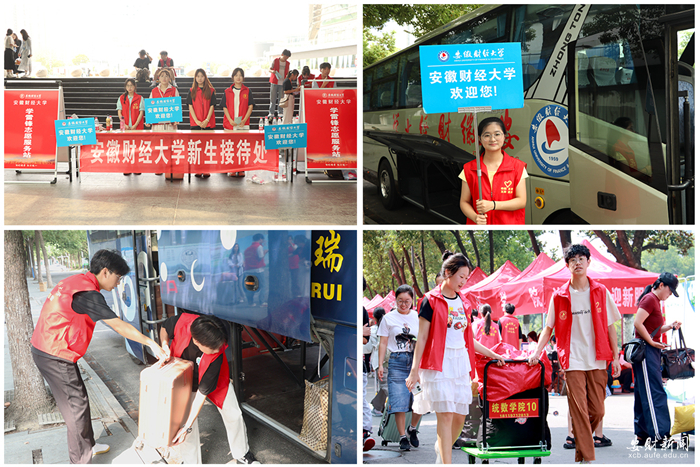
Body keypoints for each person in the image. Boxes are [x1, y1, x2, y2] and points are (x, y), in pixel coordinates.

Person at [30, 250, 167, 463]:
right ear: (105, 272)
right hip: (55, 354)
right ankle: (80, 459)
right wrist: (149, 342)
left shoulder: (78, 282)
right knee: (76, 408)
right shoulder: (87, 294)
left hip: (51, 348)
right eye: (118, 278)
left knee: (79, 400)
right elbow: (117, 325)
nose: (118, 283)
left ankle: (90, 446)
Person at [406, 251, 506, 464]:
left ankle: (441, 451)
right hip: (438, 365)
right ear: (448, 273)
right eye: (461, 276)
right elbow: (421, 338)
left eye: (466, 278)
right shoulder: (430, 301)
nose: (464, 281)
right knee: (447, 415)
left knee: (460, 417)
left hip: (460, 364)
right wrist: (414, 371)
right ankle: (446, 463)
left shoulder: (464, 302)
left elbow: (469, 338)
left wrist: (492, 354)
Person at [528, 243, 621, 463]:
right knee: (578, 409)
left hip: (598, 358)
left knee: (597, 411)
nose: (577, 263)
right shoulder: (559, 295)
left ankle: (581, 448)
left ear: (589, 262)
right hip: (572, 360)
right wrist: (537, 351)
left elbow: (611, 327)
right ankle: (587, 459)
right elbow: (548, 328)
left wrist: (616, 357)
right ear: (567, 265)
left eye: (581, 259)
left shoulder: (600, 291)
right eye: (572, 260)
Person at [160, 312, 259, 464]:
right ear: (196, 341)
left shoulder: (216, 353)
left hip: (215, 377)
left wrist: (187, 426)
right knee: (185, 424)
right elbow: (164, 328)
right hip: (183, 379)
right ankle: (190, 462)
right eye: (212, 349)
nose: (218, 350)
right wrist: (165, 345)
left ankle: (242, 452)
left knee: (233, 413)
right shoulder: (182, 322)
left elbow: (201, 395)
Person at [632, 272, 682, 448]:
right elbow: (638, 323)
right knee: (655, 392)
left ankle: (643, 434)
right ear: (661, 285)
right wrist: (651, 341)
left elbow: (653, 328)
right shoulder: (650, 299)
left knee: (643, 392)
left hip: (648, 350)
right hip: (646, 351)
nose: (669, 295)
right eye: (670, 291)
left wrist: (670, 326)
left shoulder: (654, 300)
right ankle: (660, 436)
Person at [377, 284, 422, 452]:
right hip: (396, 360)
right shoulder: (388, 318)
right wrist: (381, 364)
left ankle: (412, 428)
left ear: (412, 301)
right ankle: (402, 436)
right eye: (400, 301)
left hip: (415, 361)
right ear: (395, 300)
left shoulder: (418, 317)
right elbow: (382, 342)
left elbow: (424, 340)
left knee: (420, 397)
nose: (403, 304)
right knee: (399, 400)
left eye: (407, 301)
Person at [459, 117, 527, 224]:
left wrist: (493, 205)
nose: (492, 139)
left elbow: (521, 201)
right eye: (487, 135)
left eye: (497, 134)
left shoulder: (517, 167)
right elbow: (464, 202)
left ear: (504, 136)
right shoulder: (469, 168)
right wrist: (475, 217)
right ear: (479, 139)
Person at [149, 68, 180, 178]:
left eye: (166, 76)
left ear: (170, 78)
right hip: (158, 124)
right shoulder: (154, 91)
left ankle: (169, 167)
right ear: (158, 78)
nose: (164, 78)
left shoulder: (174, 90)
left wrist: (176, 119)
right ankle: (159, 167)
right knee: (158, 145)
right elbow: (150, 109)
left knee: (170, 145)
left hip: (170, 124)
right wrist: (148, 120)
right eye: (162, 76)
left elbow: (177, 108)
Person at [187, 68, 216, 178]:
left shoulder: (211, 91)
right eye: (198, 76)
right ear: (195, 78)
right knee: (196, 147)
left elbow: (212, 106)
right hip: (196, 123)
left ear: (205, 77)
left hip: (208, 123)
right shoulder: (191, 91)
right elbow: (190, 107)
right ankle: (198, 169)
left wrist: (206, 121)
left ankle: (206, 169)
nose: (200, 78)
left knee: (207, 147)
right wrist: (197, 122)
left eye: (202, 76)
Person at [242, 234, 268, 306]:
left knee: (251, 287)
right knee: (263, 286)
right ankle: (262, 302)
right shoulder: (259, 247)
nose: (262, 241)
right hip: (258, 270)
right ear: (260, 239)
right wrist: (265, 252)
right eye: (262, 239)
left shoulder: (247, 249)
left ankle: (250, 302)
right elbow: (260, 257)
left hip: (248, 270)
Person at [268, 49, 291, 119]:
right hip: (274, 81)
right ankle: (271, 112)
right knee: (273, 98)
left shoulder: (288, 63)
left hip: (282, 82)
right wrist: (273, 72)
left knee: (281, 98)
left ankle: (280, 112)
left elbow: (288, 72)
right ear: (282, 55)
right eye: (285, 57)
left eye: (287, 57)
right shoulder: (275, 61)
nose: (286, 58)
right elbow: (269, 69)